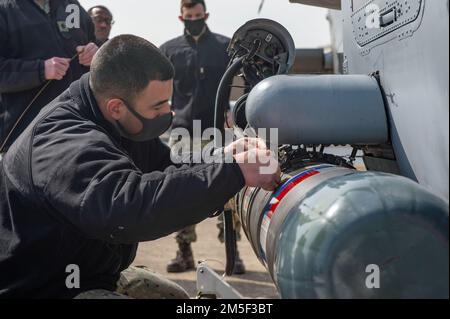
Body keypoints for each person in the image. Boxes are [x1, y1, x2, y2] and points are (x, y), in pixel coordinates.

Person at [0, 34, 281, 299]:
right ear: (116, 107)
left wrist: (222, 157)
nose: (167, 114)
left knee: (178, 297)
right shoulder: (63, 143)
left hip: (89, 273)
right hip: (47, 289)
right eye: (157, 106)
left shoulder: (117, 120)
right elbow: (129, 207)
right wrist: (232, 173)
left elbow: (167, 166)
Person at [160, 0, 247, 274]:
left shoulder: (224, 47)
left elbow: (239, 81)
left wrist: (231, 111)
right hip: (182, 132)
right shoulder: (168, 51)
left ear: (206, 15)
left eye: (198, 16)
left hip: (216, 132)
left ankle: (233, 253)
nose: (194, 20)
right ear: (181, 17)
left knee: (226, 190)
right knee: (181, 190)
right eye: (189, 17)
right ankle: (184, 252)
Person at [0, 0, 98, 151]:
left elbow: (93, 41)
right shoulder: (5, 9)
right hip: (28, 139)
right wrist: (40, 70)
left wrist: (94, 53)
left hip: (81, 129)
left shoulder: (72, 6)